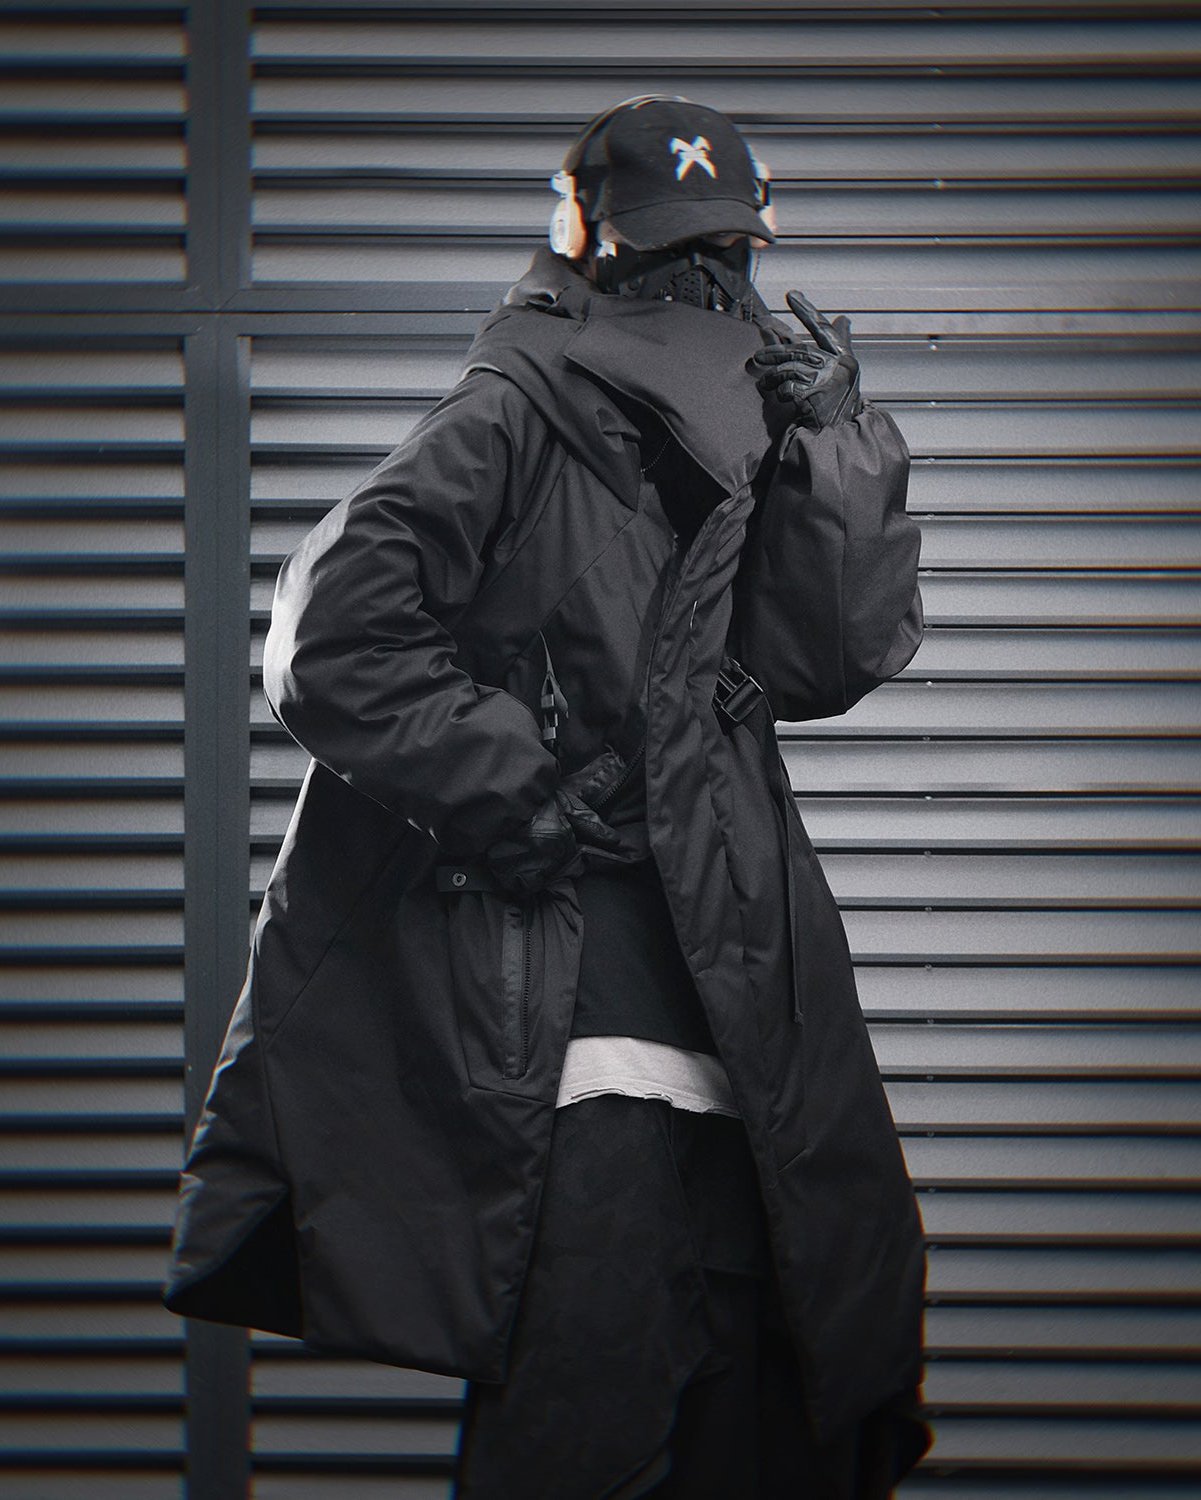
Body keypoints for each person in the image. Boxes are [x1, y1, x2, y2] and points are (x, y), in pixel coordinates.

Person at [163, 95, 930, 1497]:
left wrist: (836, 450)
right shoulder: (516, 408)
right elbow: (329, 637)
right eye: (669, 250)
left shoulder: (750, 419)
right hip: (577, 1042)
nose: (698, 284)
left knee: (783, 1425)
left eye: (719, 253)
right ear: (581, 235)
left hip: (746, 1022)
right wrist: (513, 790)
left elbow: (824, 661)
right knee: (582, 1444)